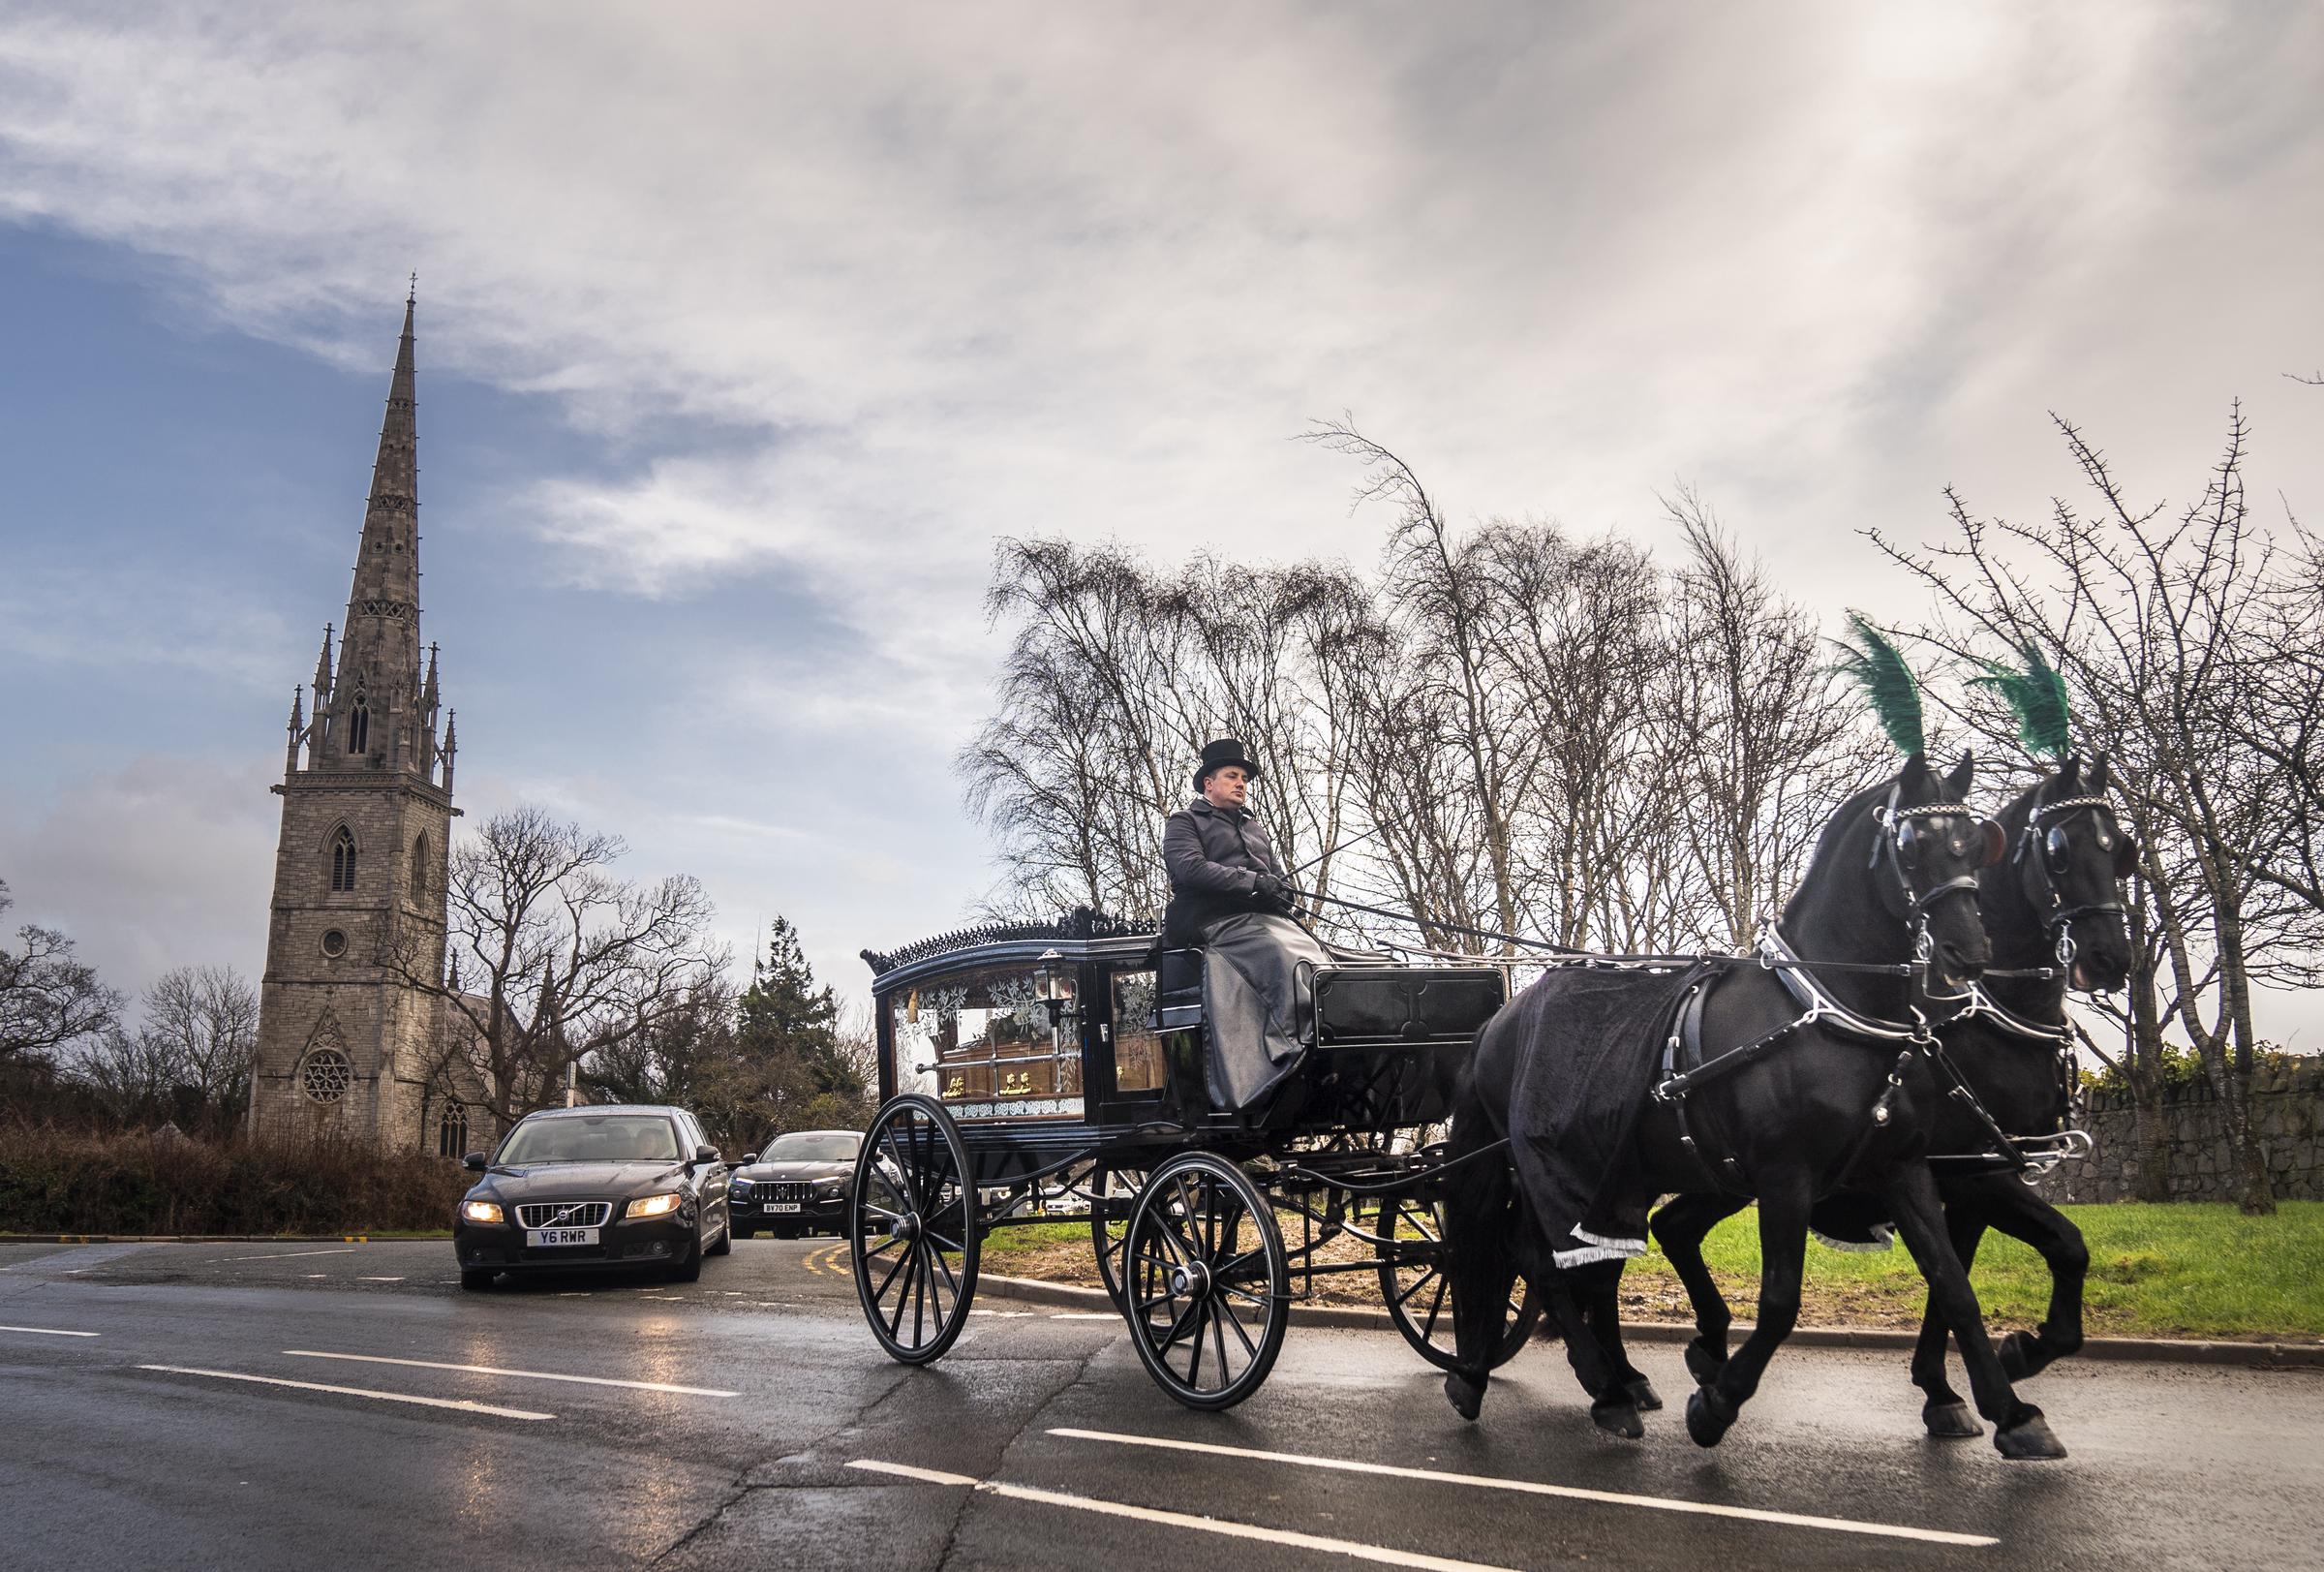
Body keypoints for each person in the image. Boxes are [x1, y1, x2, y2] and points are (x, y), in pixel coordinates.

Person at [1161, 738, 1334, 1109]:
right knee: (1279, 953)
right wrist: (1251, 882)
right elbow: (1190, 868)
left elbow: (1277, 876)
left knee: (1320, 953)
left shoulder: (1255, 829)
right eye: (1232, 776)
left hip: (1261, 920)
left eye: (1244, 778)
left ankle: (1330, 1033)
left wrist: (1283, 892)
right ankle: (1290, 1046)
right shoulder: (1184, 822)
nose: (1241, 783)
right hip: (1209, 921)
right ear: (1209, 782)